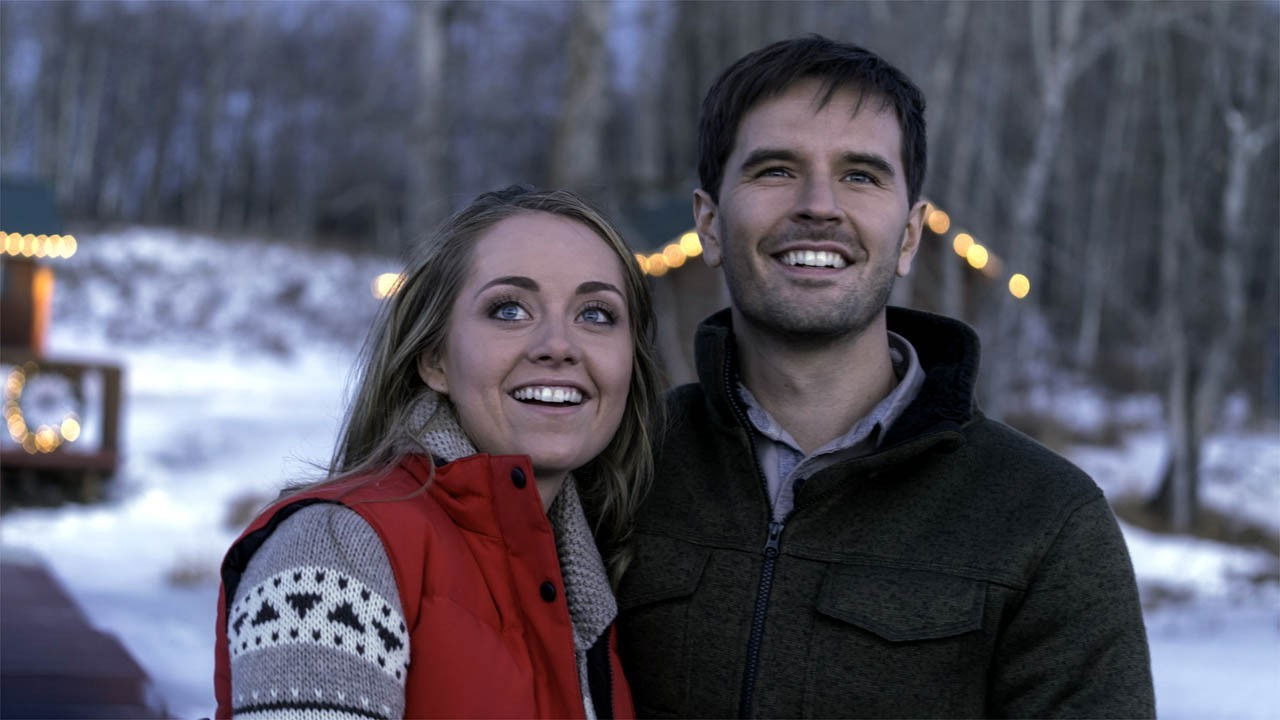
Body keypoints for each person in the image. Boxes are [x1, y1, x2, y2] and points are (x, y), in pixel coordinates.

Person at [616, 36, 1155, 718]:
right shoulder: (624, 469)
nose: (819, 205)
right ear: (710, 223)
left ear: (909, 236)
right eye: (776, 170)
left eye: (861, 175)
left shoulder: (1047, 522)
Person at [214, 186, 663, 719]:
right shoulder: (331, 552)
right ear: (434, 359)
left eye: (596, 314)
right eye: (509, 310)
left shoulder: (598, 585)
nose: (559, 346)